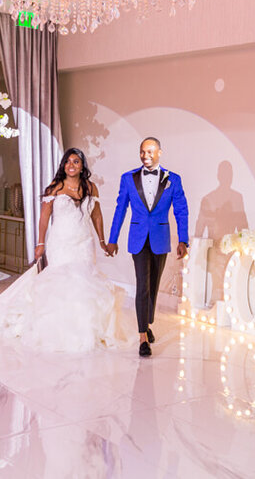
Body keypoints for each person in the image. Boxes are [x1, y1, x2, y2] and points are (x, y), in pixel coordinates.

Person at [0, 148, 130, 352]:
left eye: (76, 161)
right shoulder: (55, 188)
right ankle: (56, 329)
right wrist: (40, 244)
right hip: (60, 242)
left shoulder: (91, 187)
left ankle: (83, 327)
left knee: (84, 281)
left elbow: (96, 215)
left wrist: (103, 240)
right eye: (67, 161)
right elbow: (44, 219)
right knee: (61, 281)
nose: (71, 165)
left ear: (82, 165)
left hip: (84, 242)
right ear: (63, 165)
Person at [106, 137, 189, 357]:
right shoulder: (128, 178)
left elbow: (181, 211)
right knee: (142, 284)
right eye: (142, 152)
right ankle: (142, 337)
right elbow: (120, 210)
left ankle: (148, 322)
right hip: (138, 238)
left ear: (160, 152)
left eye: (150, 151)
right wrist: (112, 239)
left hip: (160, 238)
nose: (146, 155)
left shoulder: (174, 180)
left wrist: (183, 240)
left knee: (153, 285)